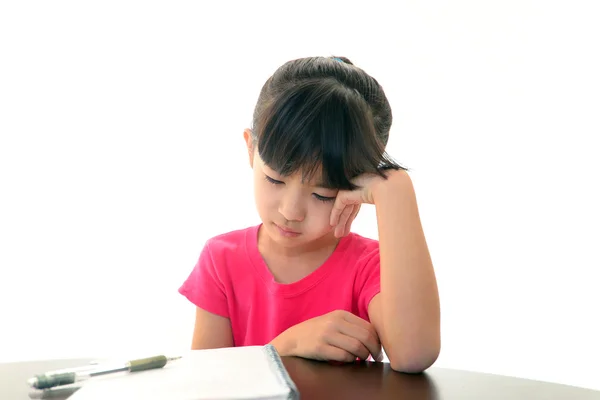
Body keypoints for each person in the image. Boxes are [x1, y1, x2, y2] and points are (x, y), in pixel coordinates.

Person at [179, 55, 440, 373]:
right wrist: (284, 348)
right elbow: (205, 382)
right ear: (251, 149)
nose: (290, 211)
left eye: (322, 194)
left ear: (357, 185)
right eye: (275, 179)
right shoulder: (222, 259)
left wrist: (394, 189)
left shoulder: (369, 266)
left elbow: (415, 354)